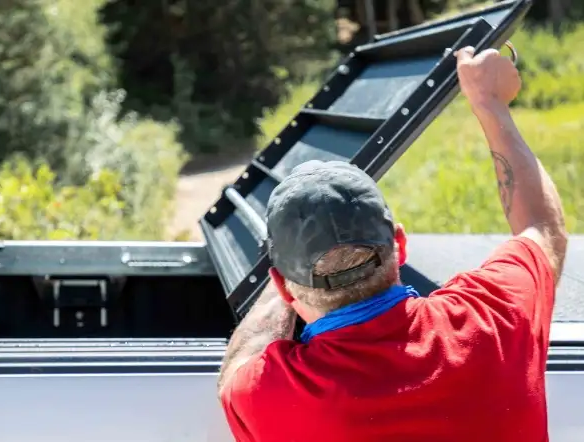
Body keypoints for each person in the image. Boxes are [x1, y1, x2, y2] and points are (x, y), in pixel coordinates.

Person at [216, 46, 568, 442]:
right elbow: (542, 226)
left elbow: (240, 362)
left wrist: (295, 273)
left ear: (281, 286)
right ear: (400, 244)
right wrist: (490, 103)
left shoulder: (267, 395)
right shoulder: (492, 317)